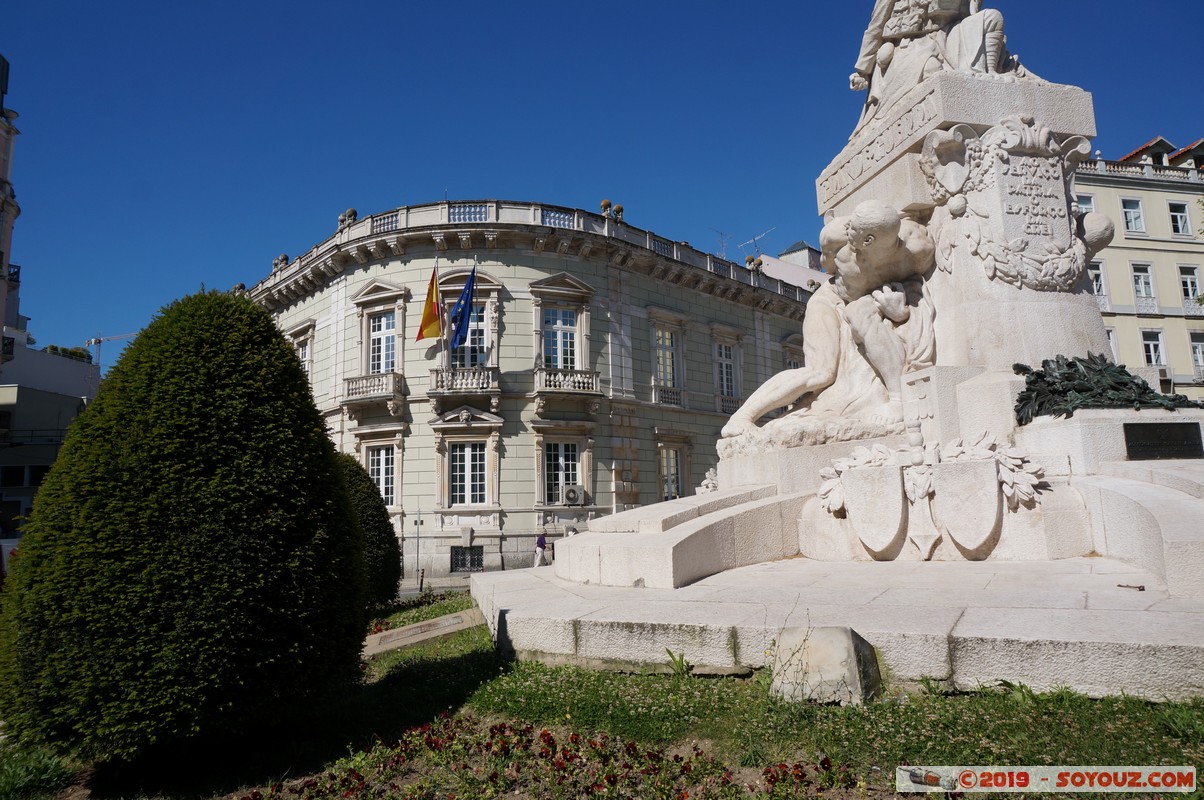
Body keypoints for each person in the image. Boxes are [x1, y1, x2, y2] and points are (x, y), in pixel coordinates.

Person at [721, 201, 935, 437]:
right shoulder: (842, 242)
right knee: (820, 372)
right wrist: (828, 237)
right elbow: (826, 259)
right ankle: (743, 416)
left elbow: (915, 291)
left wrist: (899, 311)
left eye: (854, 230)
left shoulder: (916, 250)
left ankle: (897, 398)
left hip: (868, 299)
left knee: (860, 314)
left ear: (869, 241)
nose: (848, 231)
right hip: (829, 298)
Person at [850, 0, 1010, 133]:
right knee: (931, 68)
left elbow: (971, 12)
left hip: (950, 33)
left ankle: (988, 74)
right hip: (915, 42)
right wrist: (863, 71)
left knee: (991, 17)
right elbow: (876, 26)